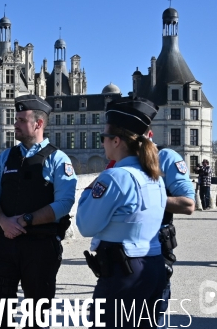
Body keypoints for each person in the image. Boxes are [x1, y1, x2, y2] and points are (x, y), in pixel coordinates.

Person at [0, 95, 77, 328]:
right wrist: (3, 221)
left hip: (39, 247)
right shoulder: (6, 157)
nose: (15, 124)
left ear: (38, 124)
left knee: (37, 316)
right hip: (3, 245)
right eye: (16, 118)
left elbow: (64, 203)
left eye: (22, 120)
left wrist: (25, 221)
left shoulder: (57, 159)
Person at [99, 96, 195, 329]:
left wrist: (150, 199)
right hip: (116, 258)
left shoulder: (166, 158)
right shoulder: (116, 165)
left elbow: (188, 204)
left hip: (153, 253)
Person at [76, 97, 167, 328]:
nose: (102, 143)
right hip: (153, 266)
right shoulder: (154, 177)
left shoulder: (115, 177)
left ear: (116, 140)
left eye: (103, 137)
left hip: (123, 271)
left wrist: (90, 189)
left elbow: (86, 226)